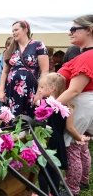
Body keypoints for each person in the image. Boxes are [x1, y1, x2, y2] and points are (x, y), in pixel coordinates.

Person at [57, 14, 93, 196]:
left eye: (74, 29)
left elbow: (74, 90)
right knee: (82, 144)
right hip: (88, 105)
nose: (69, 32)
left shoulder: (88, 56)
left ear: (89, 29)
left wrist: (49, 106)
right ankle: (84, 181)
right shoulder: (85, 55)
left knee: (71, 145)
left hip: (82, 104)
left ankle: (72, 189)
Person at [36, 73, 90, 196]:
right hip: (58, 141)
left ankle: (43, 193)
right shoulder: (68, 107)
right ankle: (55, 193)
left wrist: (39, 96)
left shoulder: (42, 103)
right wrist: (79, 137)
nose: (39, 90)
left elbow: (36, 107)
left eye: (42, 87)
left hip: (45, 140)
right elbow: (70, 128)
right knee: (55, 170)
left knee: (43, 170)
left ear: (52, 88)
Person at [0, 20, 49, 119]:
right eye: (12, 31)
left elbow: (45, 71)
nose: (13, 33)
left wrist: (39, 92)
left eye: (16, 30)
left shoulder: (38, 45)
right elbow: (4, 71)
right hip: (11, 89)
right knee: (12, 117)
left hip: (31, 88)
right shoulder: (12, 48)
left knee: (29, 116)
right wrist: (1, 91)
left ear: (25, 30)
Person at [0, 37, 13, 109]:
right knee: (2, 111)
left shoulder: (15, 59)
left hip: (13, 89)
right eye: (12, 46)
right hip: (2, 89)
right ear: (7, 46)